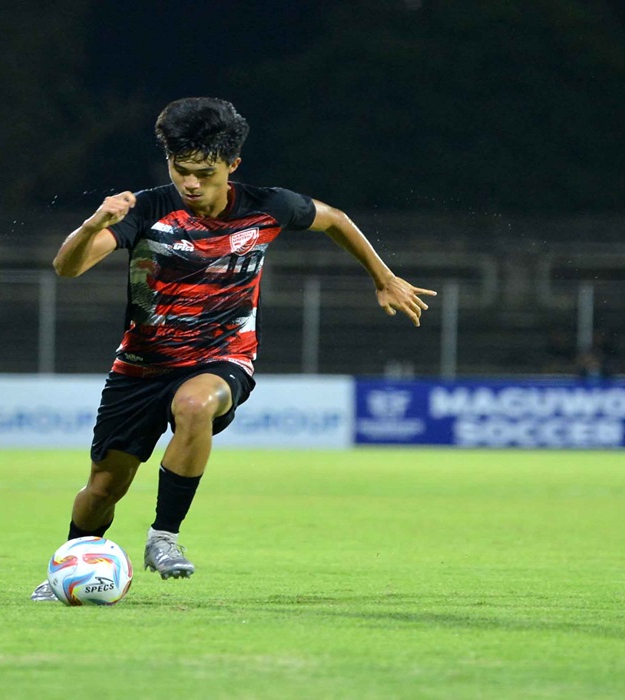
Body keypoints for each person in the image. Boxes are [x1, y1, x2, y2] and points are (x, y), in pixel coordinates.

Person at [32, 97, 436, 601]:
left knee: (194, 404)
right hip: (140, 366)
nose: (191, 183)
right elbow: (67, 268)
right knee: (103, 490)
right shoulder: (147, 209)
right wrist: (94, 223)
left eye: (204, 172)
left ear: (232, 166)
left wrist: (384, 276)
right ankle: (68, 567)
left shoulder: (269, 205)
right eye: (181, 171)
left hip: (223, 358)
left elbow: (334, 218)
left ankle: (164, 537)